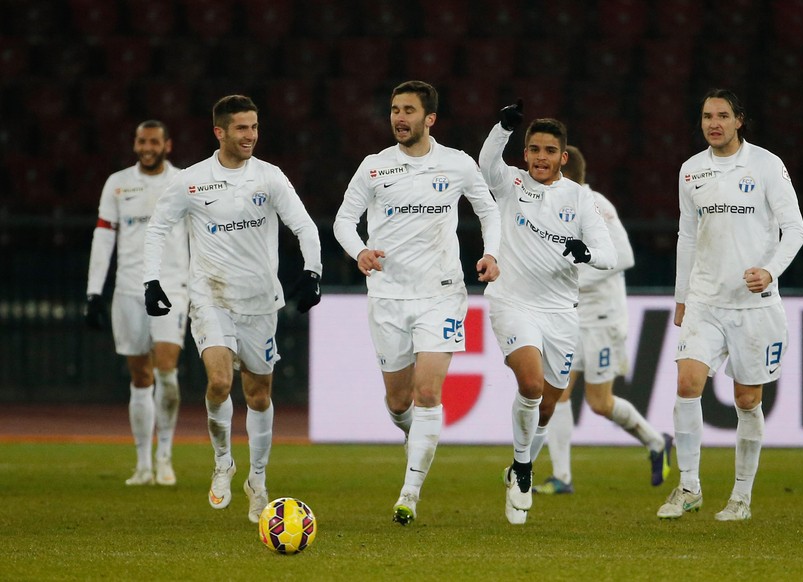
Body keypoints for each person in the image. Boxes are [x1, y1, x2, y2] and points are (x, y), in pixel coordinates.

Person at [142, 95, 323, 524]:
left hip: (260, 302)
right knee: (220, 382)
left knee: (258, 395)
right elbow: (158, 227)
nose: (251, 136)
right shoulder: (192, 180)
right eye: (242, 128)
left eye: (255, 127)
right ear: (219, 131)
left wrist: (313, 271)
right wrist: (151, 280)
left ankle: (257, 479)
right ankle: (223, 462)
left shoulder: (269, 177)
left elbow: (303, 225)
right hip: (211, 297)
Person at [333, 80, 501, 526]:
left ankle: (409, 491)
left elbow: (488, 210)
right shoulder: (374, 167)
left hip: (442, 294)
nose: (399, 118)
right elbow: (344, 220)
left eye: (408, 110)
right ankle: (417, 440)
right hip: (388, 296)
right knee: (398, 400)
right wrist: (359, 252)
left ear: (430, 119)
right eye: (393, 109)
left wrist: (492, 252)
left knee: (428, 391)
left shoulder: (457, 164)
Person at [658, 89, 803, 522]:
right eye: (706, 116)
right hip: (705, 299)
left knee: (746, 399)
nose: (713, 123)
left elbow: (794, 228)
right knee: (687, 384)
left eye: (722, 115)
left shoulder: (765, 164)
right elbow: (687, 235)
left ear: (739, 120)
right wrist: (682, 297)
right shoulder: (691, 171)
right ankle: (688, 486)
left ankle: (741, 496)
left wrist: (770, 270)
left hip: (754, 305)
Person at [478, 101, 617, 524]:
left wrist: (586, 252)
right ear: (525, 154)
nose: (541, 157)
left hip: (560, 311)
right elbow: (486, 164)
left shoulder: (579, 199)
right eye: (534, 149)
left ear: (563, 156)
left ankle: (521, 463)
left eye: (549, 150)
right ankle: (522, 469)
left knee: (549, 405)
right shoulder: (510, 184)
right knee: (532, 383)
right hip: (512, 301)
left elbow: (609, 255)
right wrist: (501, 127)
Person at [532, 145, 671, 496]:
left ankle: (656, 442)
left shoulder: (596, 205)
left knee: (599, 402)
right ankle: (562, 477)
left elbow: (623, 256)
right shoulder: (554, 207)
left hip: (603, 319)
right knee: (558, 393)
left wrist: (573, 280)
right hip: (573, 317)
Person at [85, 120, 188, 487]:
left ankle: (165, 458)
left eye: (154, 141)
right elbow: (103, 238)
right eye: (142, 141)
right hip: (128, 289)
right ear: (135, 144)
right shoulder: (117, 183)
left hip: (172, 288)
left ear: (167, 145)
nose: (147, 147)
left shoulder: (182, 183)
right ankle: (143, 463)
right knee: (140, 377)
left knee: (167, 373)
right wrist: (93, 291)